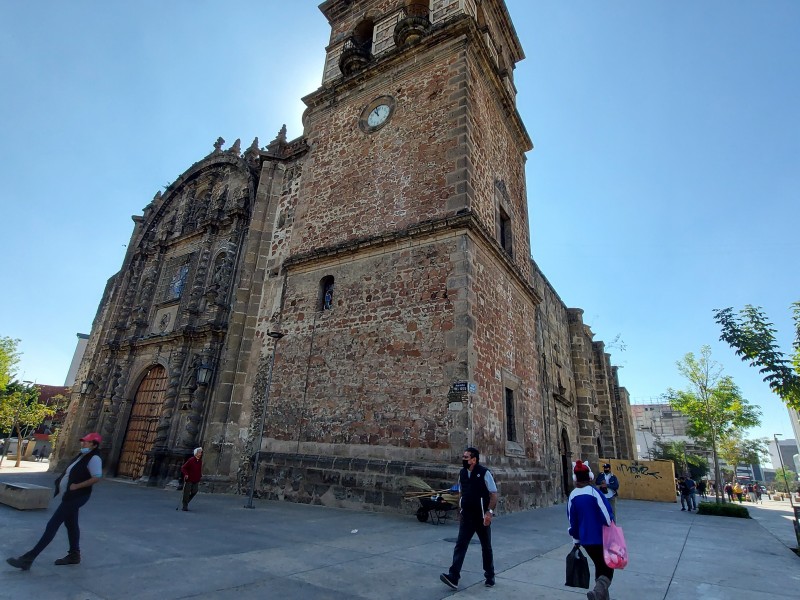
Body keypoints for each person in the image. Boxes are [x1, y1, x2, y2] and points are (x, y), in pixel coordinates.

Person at [6, 433, 103, 570]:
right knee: (71, 524)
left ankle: (28, 558)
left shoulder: (94, 459)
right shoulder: (82, 456)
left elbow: (97, 477)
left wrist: (77, 486)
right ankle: (74, 555)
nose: (83, 444)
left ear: (94, 444)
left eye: (86, 442)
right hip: (70, 496)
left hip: (77, 496)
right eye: (83, 441)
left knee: (53, 524)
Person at [440, 447, 497, 590]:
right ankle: (454, 576)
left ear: (474, 460)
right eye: (463, 457)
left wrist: (489, 513)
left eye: (466, 457)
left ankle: (490, 576)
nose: (463, 459)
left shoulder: (484, 473)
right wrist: (460, 509)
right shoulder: (462, 473)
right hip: (467, 516)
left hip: (481, 516)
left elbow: (494, 494)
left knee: (486, 547)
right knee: (460, 545)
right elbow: (461, 492)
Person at [568, 460, 615, 600]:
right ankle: (598, 592)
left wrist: (576, 540)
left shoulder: (573, 495)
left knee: (599, 565)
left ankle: (601, 596)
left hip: (585, 540)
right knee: (607, 567)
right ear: (589, 476)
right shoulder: (594, 493)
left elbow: (572, 520)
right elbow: (607, 514)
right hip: (600, 537)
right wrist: (611, 527)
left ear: (575, 478)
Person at [178, 447, 203, 511]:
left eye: (200, 452)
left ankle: (186, 501)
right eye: (199, 452)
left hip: (196, 479)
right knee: (187, 492)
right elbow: (183, 468)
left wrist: (200, 475)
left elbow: (199, 469)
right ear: (196, 453)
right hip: (189, 479)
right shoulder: (191, 460)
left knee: (195, 491)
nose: (200, 454)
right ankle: (185, 506)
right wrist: (186, 474)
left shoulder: (200, 461)